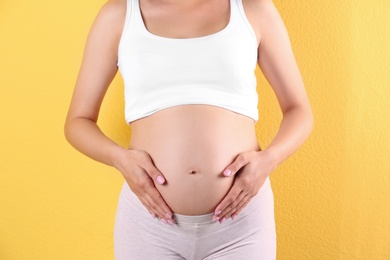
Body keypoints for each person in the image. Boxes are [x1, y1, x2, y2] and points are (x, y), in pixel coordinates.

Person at [64, 0, 314, 258]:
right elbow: (78, 121)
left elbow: (299, 109)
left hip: (241, 224)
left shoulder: (252, 9)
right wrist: (119, 159)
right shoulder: (119, 14)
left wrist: (268, 161)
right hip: (149, 225)